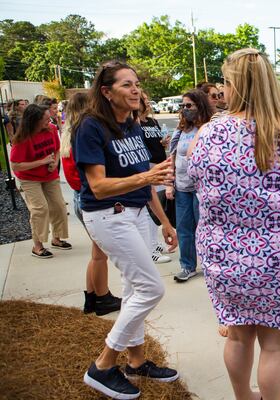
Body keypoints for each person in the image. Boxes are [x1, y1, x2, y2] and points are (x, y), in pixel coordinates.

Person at [188, 48, 280, 400]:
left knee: (237, 336)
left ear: (233, 84)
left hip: (225, 257)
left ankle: (243, 397)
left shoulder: (207, 134)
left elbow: (191, 180)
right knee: (275, 349)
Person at [75, 60, 179, 399]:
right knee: (151, 289)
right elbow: (99, 186)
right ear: (106, 92)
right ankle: (103, 365)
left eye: (136, 83)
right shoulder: (90, 127)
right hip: (108, 215)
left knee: (134, 289)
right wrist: (147, 175)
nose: (135, 90)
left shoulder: (132, 125)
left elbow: (143, 181)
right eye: (126, 85)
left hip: (136, 214)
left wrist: (164, 221)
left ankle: (136, 362)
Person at [60, 92, 121, 316]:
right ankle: (102, 297)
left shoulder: (68, 135)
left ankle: (92, 297)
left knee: (97, 254)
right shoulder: (85, 137)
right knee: (99, 256)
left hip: (80, 197)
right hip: (90, 199)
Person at [9, 104, 71, 258]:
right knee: (40, 209)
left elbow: (56, 149)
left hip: (49, 176)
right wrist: (41, 162)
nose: (48, 121)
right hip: (29, 179)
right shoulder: (22, 138)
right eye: (44, 119)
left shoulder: (50, 129)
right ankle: (37, 246)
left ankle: (57, 239)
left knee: (58, 205)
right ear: (33, 121)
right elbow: (15, 164)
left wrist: (55, 162)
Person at [168, 90, 213, 282]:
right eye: (183, 106)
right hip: (182, 188)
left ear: (200, 106)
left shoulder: (209, 128)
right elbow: (171, 157)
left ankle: (211, 266)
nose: (185, 110)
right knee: (184, 228)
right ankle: (187, 266)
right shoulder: (181, 130)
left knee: (206, 229)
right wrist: (170, 184)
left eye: (189, 106)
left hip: (202, 189)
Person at [139, 90, 172, 264]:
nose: (147, 102)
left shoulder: (152, 121)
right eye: (143, 100)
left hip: (160, 165)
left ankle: (154, 242)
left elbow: (156, 142)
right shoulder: (136, 124)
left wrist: (163, 143)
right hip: (149, 167)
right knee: (151, 210)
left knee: (157, 207)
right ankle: (150, 248)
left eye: (146, 99)